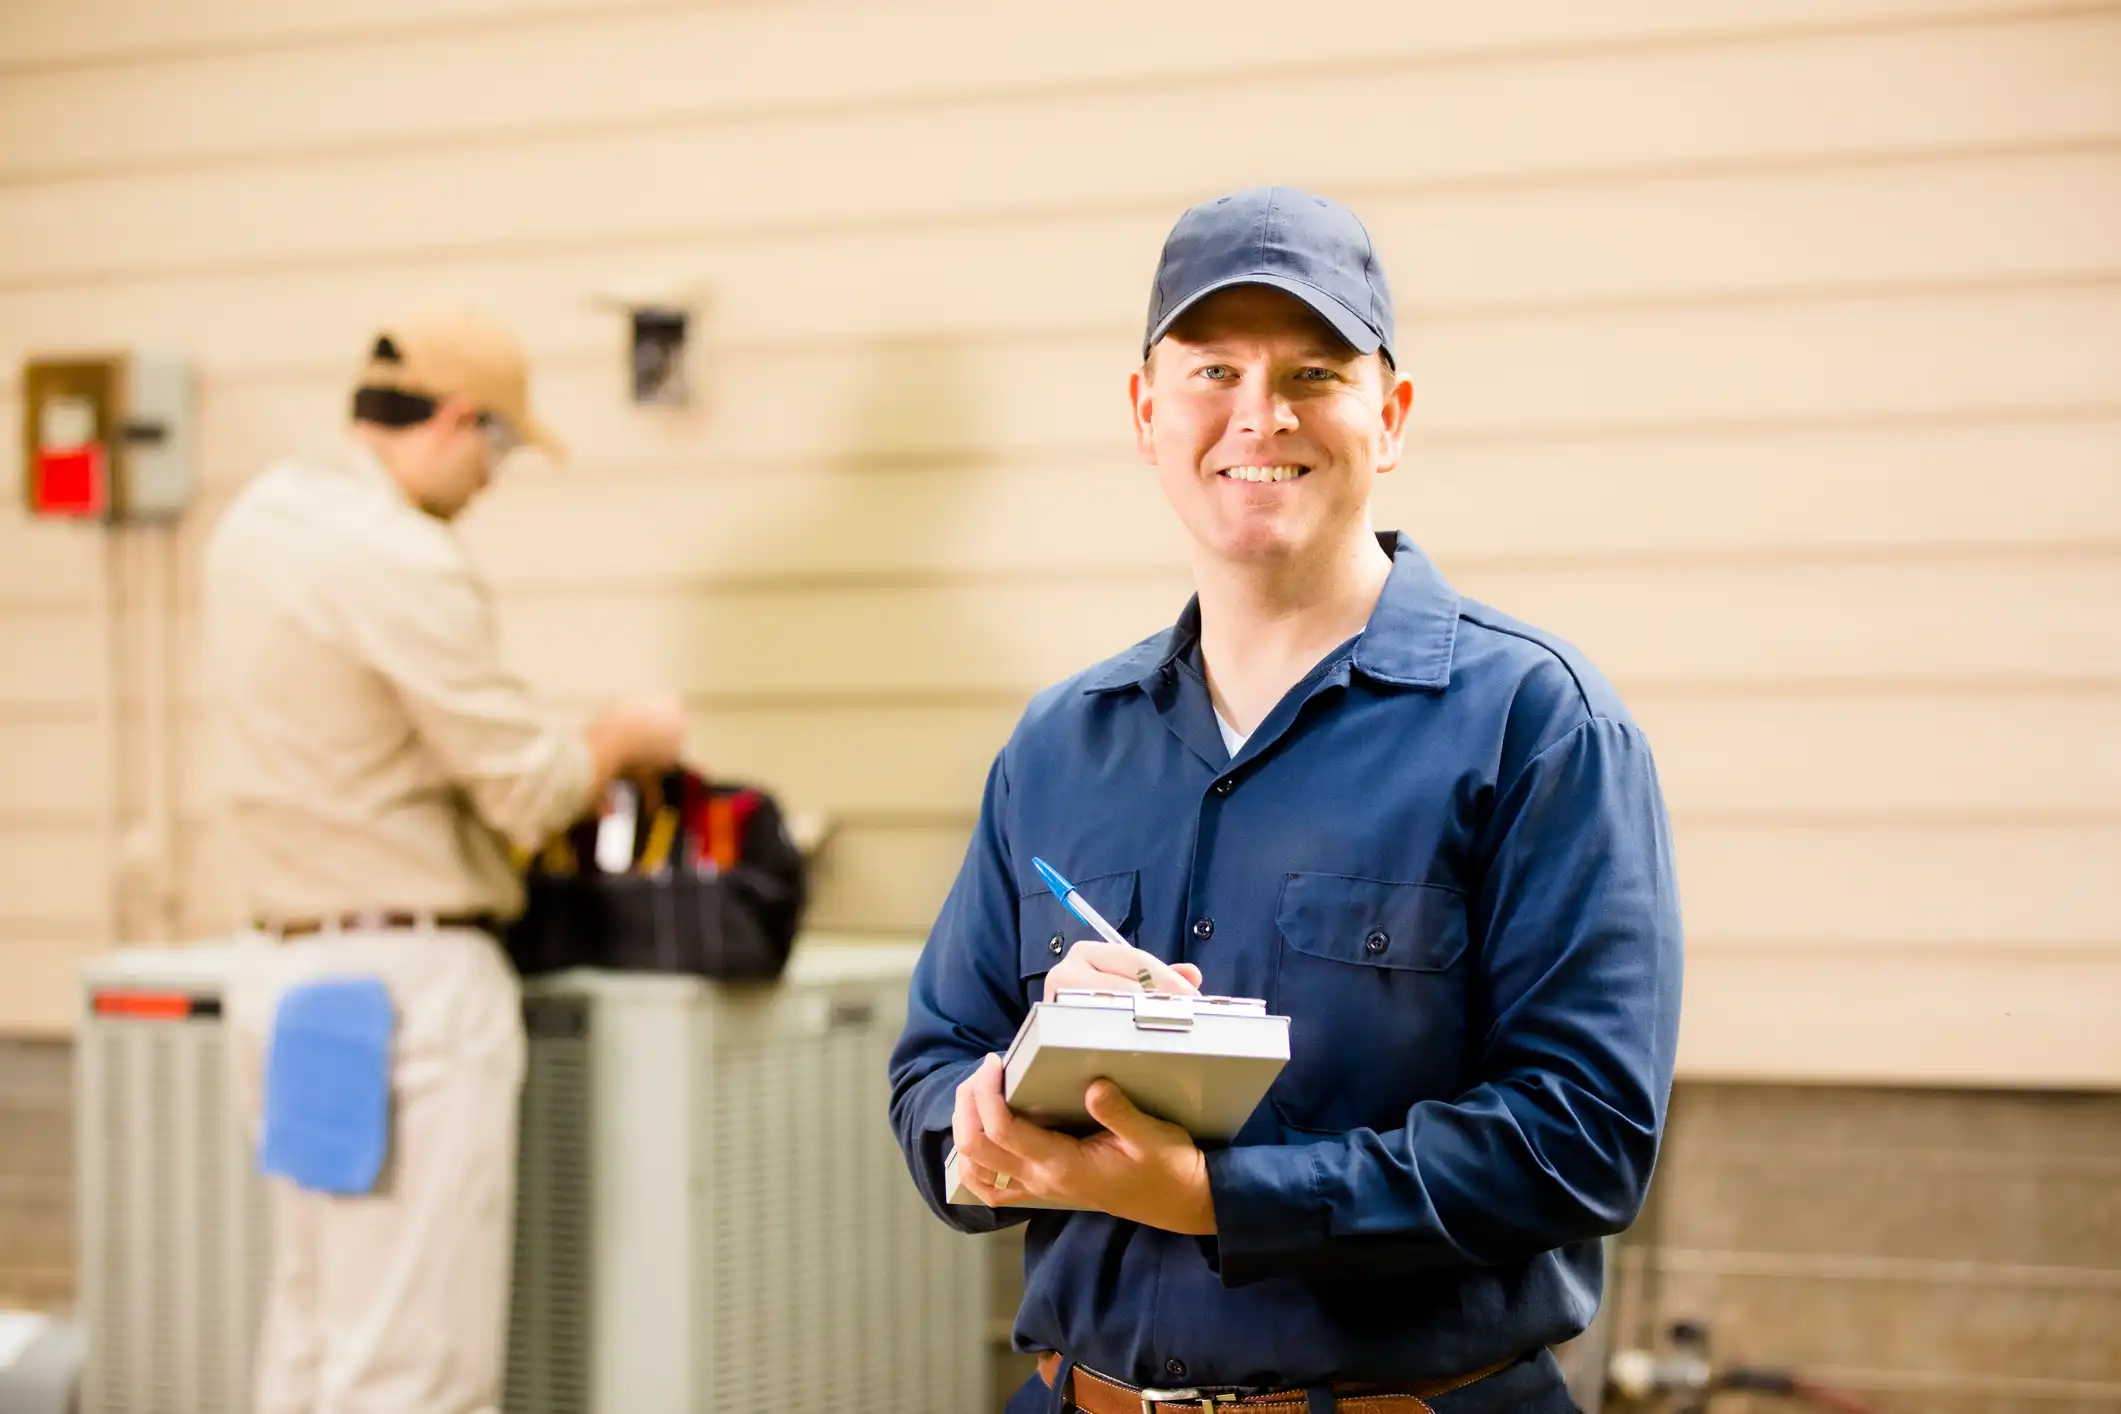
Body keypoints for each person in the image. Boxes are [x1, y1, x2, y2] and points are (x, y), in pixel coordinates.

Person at [888, 189, 1684, 1414]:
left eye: (1315, 371)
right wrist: (992, 1116)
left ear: (1393, 414)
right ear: (1147, 411)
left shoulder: (1537, 723)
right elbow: (931, 1070)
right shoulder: (1058, 746)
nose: (1259, 413)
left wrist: (1214, 1198)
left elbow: (1582, 1137)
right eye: (1213, 368)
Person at [204, 308, 689, 1414]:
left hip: (286, 977)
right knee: (415, 1367)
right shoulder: (400, 556)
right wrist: (620, 736)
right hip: (404, 997)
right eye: (502, 449)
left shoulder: (260, 523)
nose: (492, 481)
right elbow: (527, 788)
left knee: (316, 1334)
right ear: (460, 421)